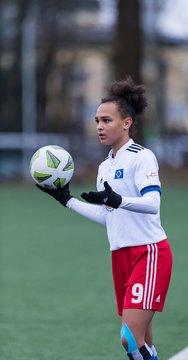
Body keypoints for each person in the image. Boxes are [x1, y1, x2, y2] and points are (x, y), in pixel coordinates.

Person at [37, 76, 172, 360]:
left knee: (129, 340)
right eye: (97, 120)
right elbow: (108, 217)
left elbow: (152, 203)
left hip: (148, 253)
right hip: (120, 256)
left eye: (107, 120)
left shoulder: (141, 157)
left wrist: (118, 200)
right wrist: (67, 200)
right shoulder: (105, 167)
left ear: (127, 123)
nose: (99, 126)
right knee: (143, 341)